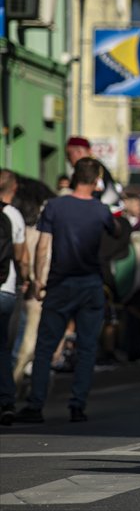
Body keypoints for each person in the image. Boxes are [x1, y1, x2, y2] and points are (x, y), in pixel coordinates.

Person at [14, 158, 116, 423]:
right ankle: (77, 404)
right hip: (90, 284)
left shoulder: (55, 207)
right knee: (86, 347)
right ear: (96, 180)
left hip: (60, 284)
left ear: (74, 177)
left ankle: (36, 405)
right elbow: (115, 232)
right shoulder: (100, 210)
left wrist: (38, 281)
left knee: (46, 346)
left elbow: (43, 246)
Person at [0, 170, 30, 426]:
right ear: (14, 187)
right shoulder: (13, 215)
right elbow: (21, 256)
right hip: (5, 289)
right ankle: (7, 401)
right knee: (3, 347)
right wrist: (27, 278)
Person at [64, 137, 123, 211]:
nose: (67, 158)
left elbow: (98, 194)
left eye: (69, 154)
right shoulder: (91, 167)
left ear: (79, 152)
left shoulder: (94, 168)